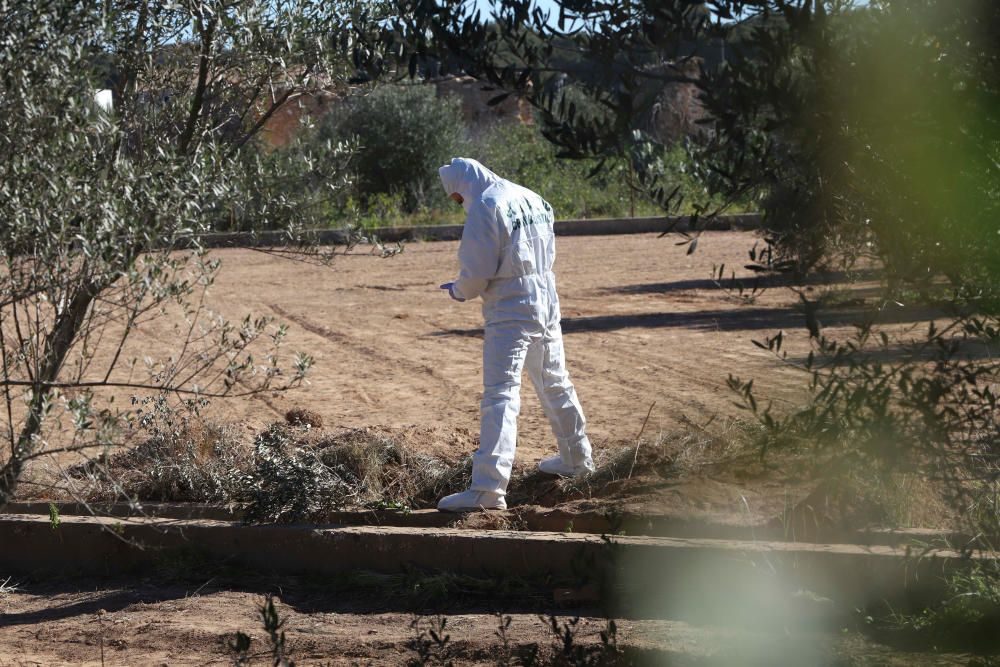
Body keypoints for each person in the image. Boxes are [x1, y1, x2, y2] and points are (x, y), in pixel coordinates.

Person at [436, 157, 595, 513]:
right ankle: (577, 458)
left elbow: (477, 272)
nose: (459, 204)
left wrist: (458, 290)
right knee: (555, 381)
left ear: (464, 185)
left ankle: (488, 489)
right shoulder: (531, 197)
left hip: (510, 308)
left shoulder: (486, 206)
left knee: (501, 394)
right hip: (545, 298)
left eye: (457, 198)